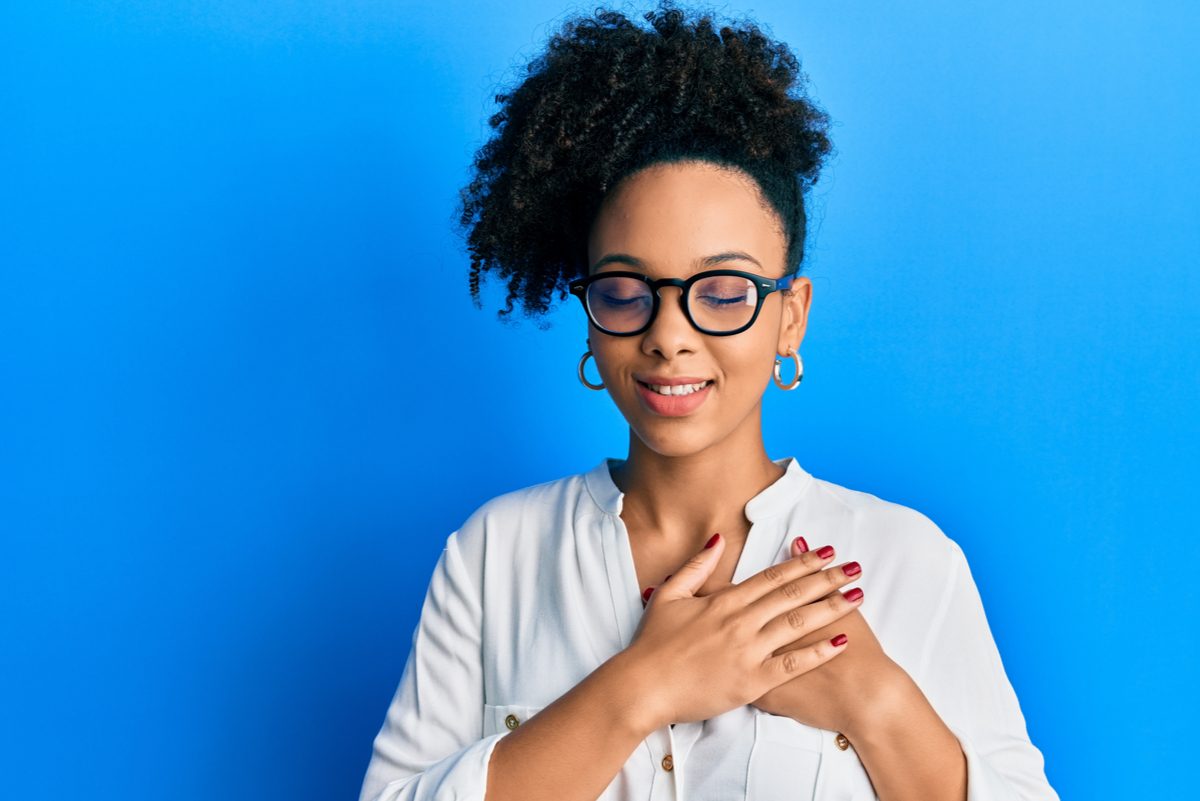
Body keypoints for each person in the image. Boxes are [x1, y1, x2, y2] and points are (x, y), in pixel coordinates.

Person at [359, 3, 1059, 800]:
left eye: (722, 293)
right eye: (626, 291)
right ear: (590, 313)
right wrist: (642, 686)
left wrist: (875, 700)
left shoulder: (905, 561)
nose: (668, 335)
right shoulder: (493, 555)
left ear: (790, 315)